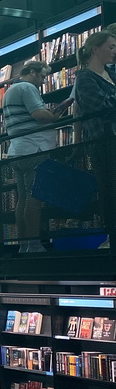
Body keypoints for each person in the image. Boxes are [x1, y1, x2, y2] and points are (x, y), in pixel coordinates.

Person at [2, 60, 68, 252]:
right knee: (35, 197)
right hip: (34, 147)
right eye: (42, 76)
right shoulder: (27, 88)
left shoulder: (9, 91)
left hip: (18, 149)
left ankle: (24, 245)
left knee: (22, 198)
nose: (42, 81)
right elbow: (39, 115)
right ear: (31, 71)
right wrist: (56, 114)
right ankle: (34, 243)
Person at [73, 27, 116, 243]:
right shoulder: (84, 78)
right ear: (95, 49)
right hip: (104, 141)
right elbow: (99, 106)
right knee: (110, 188)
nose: (114, 51)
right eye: (111, 46)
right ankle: (112, 236)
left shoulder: (112, 74)